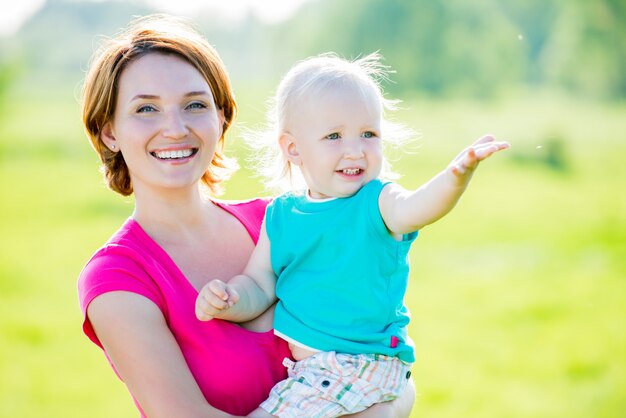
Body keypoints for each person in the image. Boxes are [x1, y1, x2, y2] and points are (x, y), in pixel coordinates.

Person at [77, 14, 414, 418]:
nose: (175, 128)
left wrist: (388, 404)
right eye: (146, 108)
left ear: (221, 118)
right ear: (109, 131)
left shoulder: (281, 221)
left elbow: (386, 367)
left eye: (195, 105)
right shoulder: (118, 277)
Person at [195, 53, 509, 417]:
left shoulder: (376, 201)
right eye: (334, 135)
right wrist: (231, 299)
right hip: (319, 372)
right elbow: (260, 283)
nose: (355, 149)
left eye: (368, 134)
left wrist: (456, 175)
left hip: (359, 364)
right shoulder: (281, 215)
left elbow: (418, 207)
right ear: (294, 148)